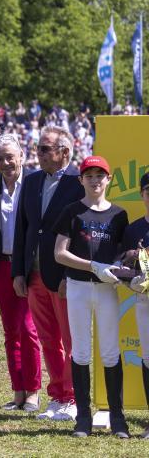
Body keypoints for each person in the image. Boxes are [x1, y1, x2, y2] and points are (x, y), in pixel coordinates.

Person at [53, 156, 130, 438]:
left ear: (109, 179)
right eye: (89, 175)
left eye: (100, 175)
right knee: (82, 351)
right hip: (79, 287)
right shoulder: (72, 211)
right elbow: (59, 253)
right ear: (80, 180)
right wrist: (93, 266)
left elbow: (125, 254)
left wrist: (124, 271)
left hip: (108, 289)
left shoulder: (119, 215)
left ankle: (118, 419)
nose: (95, 180)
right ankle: (83, 418)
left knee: (110, 351)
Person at [12, 125, 83, 421]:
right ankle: (57, 396)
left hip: (63, 276)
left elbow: (81, 233)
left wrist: (70, 274)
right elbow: (22, 228)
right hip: (35, 274)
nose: (37, 154)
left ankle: (73, 397)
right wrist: (19, 270)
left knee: (69, 340)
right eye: (38, 148)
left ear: (63, 152)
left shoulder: (78, 182)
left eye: (44, 149)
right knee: (48, 339)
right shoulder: (30, 181)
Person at [0, 134, 41, 411]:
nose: (5, 163)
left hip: (30, 266)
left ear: (22, 156)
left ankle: (34, 391)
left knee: (28, 329)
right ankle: (18, 390)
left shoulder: (34, 184)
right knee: (10, 330)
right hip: (1, 266)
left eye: (9, 157)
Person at [120, 171, 149, 439]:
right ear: (141, 194)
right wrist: (132, 281)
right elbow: (123, 268)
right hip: (144, 300)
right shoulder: (134, 229)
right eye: (148, 190)